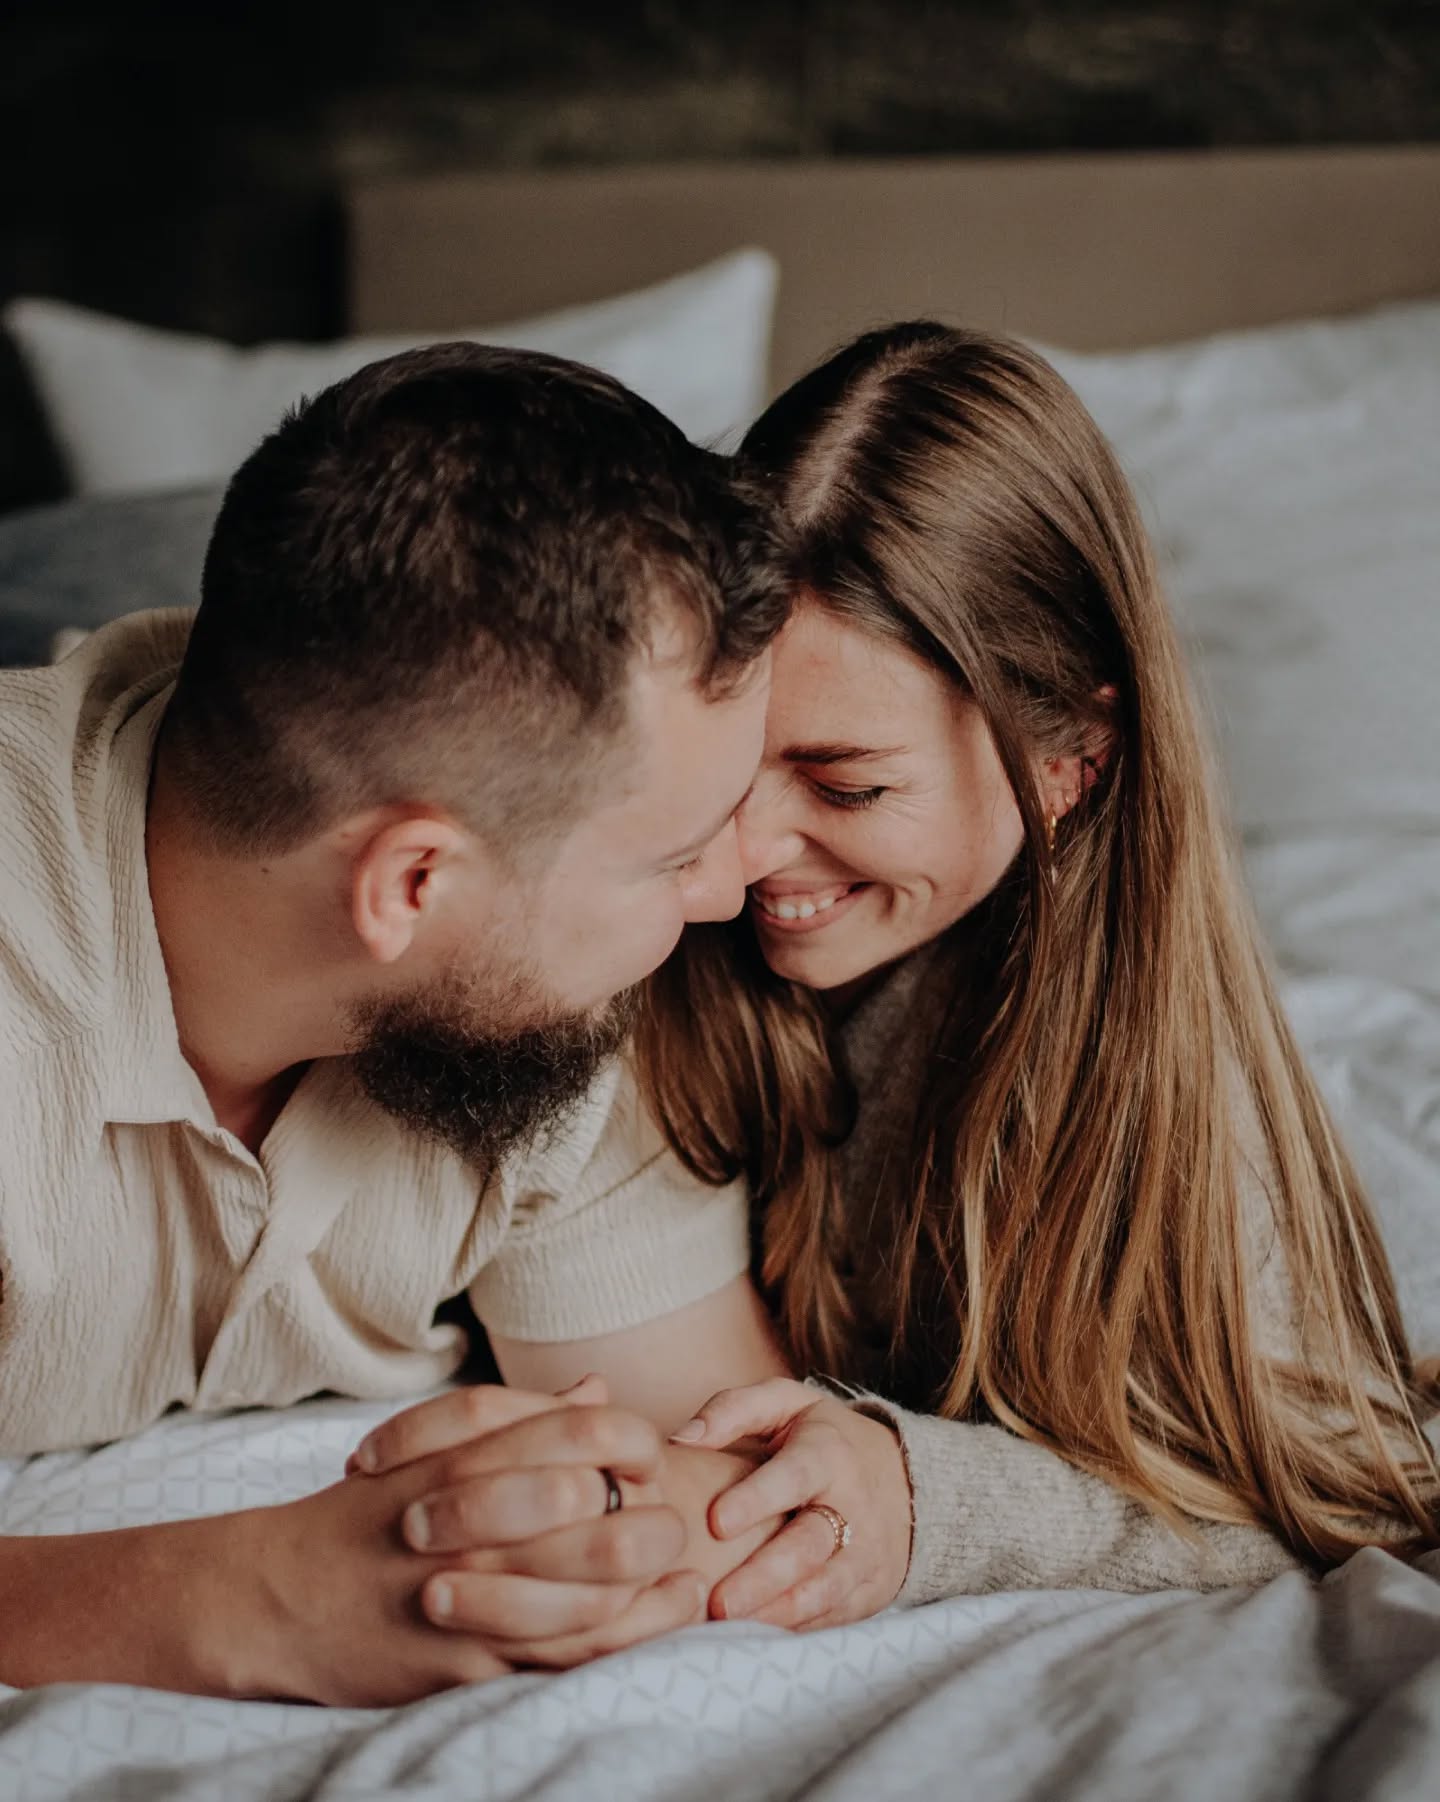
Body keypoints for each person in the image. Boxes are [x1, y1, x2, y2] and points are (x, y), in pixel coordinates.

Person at [366, 321, 1440, 1633]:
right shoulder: (618, 931)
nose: (742, 852)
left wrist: (934, 1499)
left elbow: (1338, 1483)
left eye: (849, 781)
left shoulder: (1151, 1084)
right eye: (735, 759)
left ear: (1070, 762)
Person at [0, 342, 797, 1703]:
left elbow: (714, 1470)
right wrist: (247, 1594)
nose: (737, 888)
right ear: (412, 883)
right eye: (674, 856)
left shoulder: (546, 1010)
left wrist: (561, 1522)